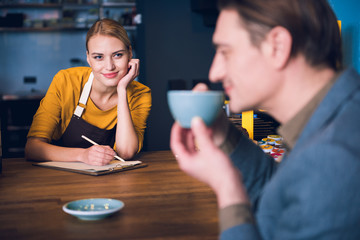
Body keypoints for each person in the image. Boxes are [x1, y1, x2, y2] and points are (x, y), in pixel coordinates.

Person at [170, 0, 360, 239]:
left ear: (278, 47)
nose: (214, 73)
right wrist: (224, 135)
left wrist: (228, 190)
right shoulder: (337, 118)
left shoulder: (334, 159)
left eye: (225, 52)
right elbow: (285, 193)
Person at [25, 18, 151, 166]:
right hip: (60, 181)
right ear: (88, 59)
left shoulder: (140, 94)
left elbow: (126, 152)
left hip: (112, 182)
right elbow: (32, 148)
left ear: (130, 53)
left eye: (117, 55)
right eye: (99, 57)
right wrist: (83, 155)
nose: (109, 66)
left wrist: (122, 89)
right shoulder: (66, 81)